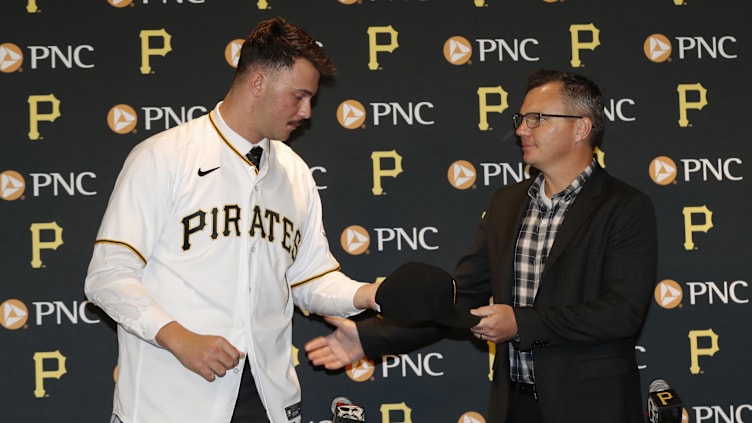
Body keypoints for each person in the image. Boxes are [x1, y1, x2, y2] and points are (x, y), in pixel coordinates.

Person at [305, 69, 658, 423]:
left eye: (537, 119)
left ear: (581, 128)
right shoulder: (506, 203)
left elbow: (621, 312)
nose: (521, 129)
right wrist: (369, 338)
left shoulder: (624, 206)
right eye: (522, 118)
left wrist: (521, 323)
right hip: (515, 407)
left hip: (592, 409)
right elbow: (461, 297)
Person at [84, 17, 378, 423]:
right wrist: (179, 338)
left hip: (267, 402)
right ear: (257, 82)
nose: (307, 112)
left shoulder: (295, 173)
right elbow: (108, 277)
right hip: (169, 402)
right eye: (298, 96)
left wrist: (370, 295)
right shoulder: (164, 157)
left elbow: (310, 280)